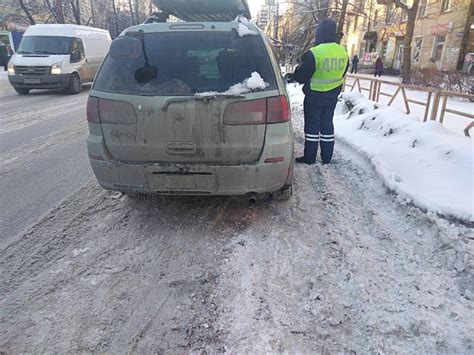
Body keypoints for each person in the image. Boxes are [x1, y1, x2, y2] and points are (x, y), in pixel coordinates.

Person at [293, 19, 349, 165]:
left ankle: (310, 158)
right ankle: (327, 157)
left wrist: (296, 73)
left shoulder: (313, 53)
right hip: (332, 96)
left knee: (312, 127)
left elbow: (301, 77)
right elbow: (342, 73)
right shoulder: (343, 52)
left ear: (319, 34)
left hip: (314, 96)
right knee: (327, 124)